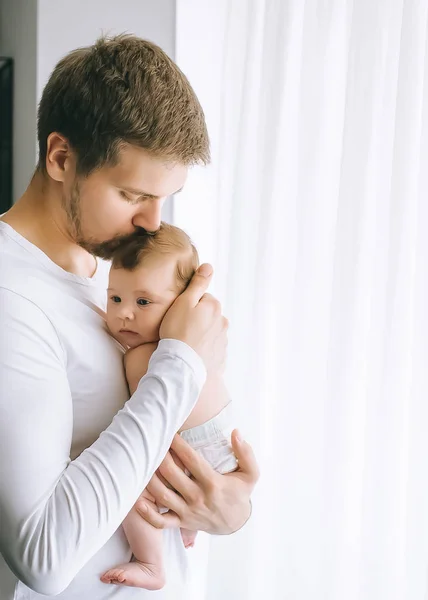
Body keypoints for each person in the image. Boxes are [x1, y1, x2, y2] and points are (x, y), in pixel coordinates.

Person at [0, 35, 259, 599]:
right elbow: (42, 557)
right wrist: (181, 361)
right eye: (132, 194)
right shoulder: (10, 298)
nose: (151, 222)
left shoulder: (114, 274)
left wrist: (225, 508)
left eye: (165, 198)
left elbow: (175, 451)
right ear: (61, 158)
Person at [100, 223, 239, 589]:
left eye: (143, 302)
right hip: (223, 438)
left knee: (129, 488)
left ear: (181, 304)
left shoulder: (145, 357)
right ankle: (189, 527)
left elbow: (147, 426)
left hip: (194, 443)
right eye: (115, 299)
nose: (124, 313)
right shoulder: (201, 346)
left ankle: (151, 563)